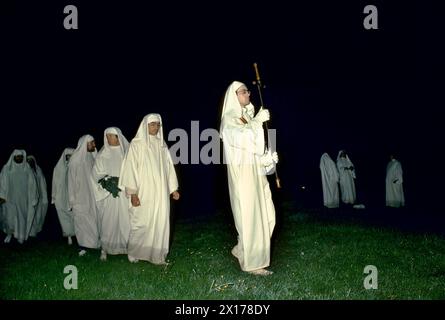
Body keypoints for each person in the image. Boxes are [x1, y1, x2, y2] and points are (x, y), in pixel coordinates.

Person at [219, 81, 278, 276]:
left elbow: (252, 151)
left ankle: (242, 249)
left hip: (256, 175)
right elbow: (242, 139)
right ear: (234, 96)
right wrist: (258, 121)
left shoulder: (245, 117)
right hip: (243, 179)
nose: (248, 94)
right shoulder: (229, 119)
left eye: (248, 91)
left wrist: (266, 160)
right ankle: (253, 264)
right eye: (244, 92)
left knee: (268, 216)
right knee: (250, 218)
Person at [119, 113, 180, 265]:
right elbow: (130, 169)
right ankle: (134, 252)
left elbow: (168, 168)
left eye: (158, 124)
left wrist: (173, 189)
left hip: (160, 192)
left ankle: (157, 256)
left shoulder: (162, 144)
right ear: (145, 126)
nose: (156, 127)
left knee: (160, 221)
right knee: (141, 222)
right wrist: (133, 193)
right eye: (153, 124)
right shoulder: (137, 144)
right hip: (143, 191)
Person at [92, 127, 131, 261]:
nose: (108, 139)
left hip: (125, 192)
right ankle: (105, 249)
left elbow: (133, 171)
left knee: (126, 220)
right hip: (108, 195)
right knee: (108, 220)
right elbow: (96, 173)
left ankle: (129, 249)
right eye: (107, 136)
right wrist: (107, 182)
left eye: (111, 136)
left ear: (118, 137)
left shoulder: (127, 153)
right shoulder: (102, 155)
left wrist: (124, 183)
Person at [68, 135, 100, 256]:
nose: (94, 145)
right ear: (84, 144)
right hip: (79, 197)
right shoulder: (75, 160)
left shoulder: (91, 157)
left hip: (92, 196)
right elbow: (71, 181)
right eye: (91, 143)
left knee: (93, 220)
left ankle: (93, 243)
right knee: (81, 221)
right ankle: (82, 246)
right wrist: (72, 199)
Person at [0, 150, 38, 244]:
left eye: (21, 157)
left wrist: (33, 197)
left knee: (21, 217)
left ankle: (20, 236)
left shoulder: (27, 169)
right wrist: (2, 196)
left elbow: (32, 184)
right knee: (9, 217)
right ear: (13, 157)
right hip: (9, 198)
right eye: (17, 157)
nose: (19, 158)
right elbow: (2, 183)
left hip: (23, 199)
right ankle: (9, 233)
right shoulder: (7, 168)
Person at [52, 148, 76, 245]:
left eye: (71, 156)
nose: (69, 158)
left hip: (74, 194)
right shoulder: (58, 168)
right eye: (68, 156)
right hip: (62, 195)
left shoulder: (76, 167)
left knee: (75, 215)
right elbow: (55, 182)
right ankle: (69, 235)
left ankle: (78, 234)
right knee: (63, 215)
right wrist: (54, 196)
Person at [27, 155, 48, 237]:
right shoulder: (25, 171)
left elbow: (43, 183)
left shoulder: (38, 170)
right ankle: (29, 232)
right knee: (29, 215)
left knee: (38, 215)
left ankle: (34, 232)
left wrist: (44, 197)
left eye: (31, 160)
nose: (30, 162)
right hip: (29, 197)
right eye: (28, 160)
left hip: (39, 197)